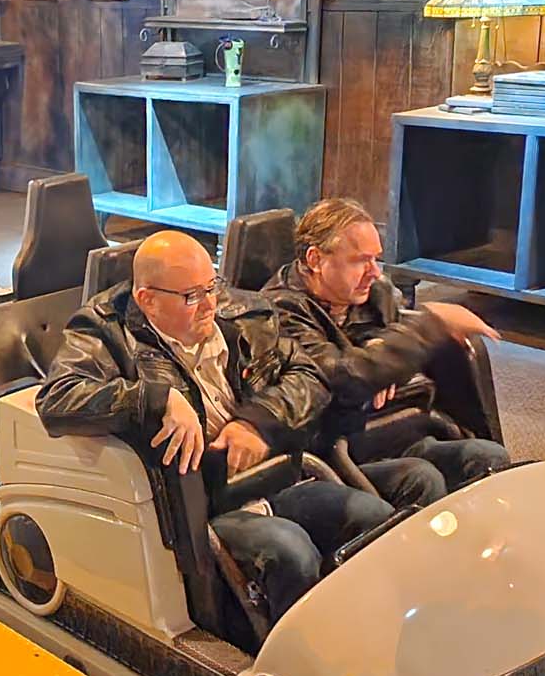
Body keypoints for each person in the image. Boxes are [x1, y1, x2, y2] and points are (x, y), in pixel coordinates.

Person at [36, 231, 395, 624]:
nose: (210, 304)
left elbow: (308, 375)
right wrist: (154, 398)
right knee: (289, 550)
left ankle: (367, 627)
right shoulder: (104, 330)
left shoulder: (243, 313)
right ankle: (292, 654)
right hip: (201, 504)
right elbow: (57, 398)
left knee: (373, 517)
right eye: (192, 296)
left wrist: (256, 423)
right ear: (147, 300)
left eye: (212, 286)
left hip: (271, 477)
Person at [261, 198, 511, 494]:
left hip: (397, 425)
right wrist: (426, 329)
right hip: (339, 451)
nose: (375, 272)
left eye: (375, 259)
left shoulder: (372, 290)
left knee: (489, 457)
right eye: (360, 260)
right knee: (422, 478)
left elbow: (384, 341)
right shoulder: (278, 312)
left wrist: (379, 357)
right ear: (315, 260)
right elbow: (339, 379)